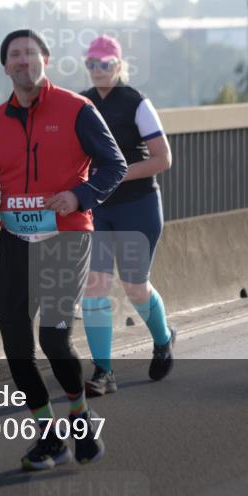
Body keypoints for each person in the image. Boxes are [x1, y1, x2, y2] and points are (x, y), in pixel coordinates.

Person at [0, 29, 127, 470]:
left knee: (54, 336)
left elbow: (114, 164)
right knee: (16, 343)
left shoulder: (77, 109)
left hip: (67, 233)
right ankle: (48, 435)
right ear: (5, 67)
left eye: (29, 53)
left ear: (46, 59)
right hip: (16, 236)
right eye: (13, 56)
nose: (22, 61)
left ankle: (79, 414)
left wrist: (80, 195)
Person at [79, 35, 176, 397]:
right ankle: (103, 371)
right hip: (98, 208)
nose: (98, 70)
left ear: (118, 65)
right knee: (95, 284)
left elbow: (162, 159)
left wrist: (114, 174)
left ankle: (163, 339)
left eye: (105, 64)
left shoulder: (136, 102)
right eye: (92, 64)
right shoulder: (82, 104)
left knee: (135, 287)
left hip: (138, 205)